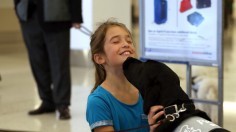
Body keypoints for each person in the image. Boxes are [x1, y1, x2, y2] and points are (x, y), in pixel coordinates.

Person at [86, 19, 164, 131]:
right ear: (99, 58)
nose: (126, 44)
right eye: (116, 41)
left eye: (129, 41)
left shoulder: (148, 90)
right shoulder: (98, 102)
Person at [13, 0, 83, 120]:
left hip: (57, 16)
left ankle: (62, 104)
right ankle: (47, 101)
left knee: (60, 63)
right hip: (28, 17)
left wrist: (76, 16)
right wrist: (18, 10)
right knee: (37, 62)